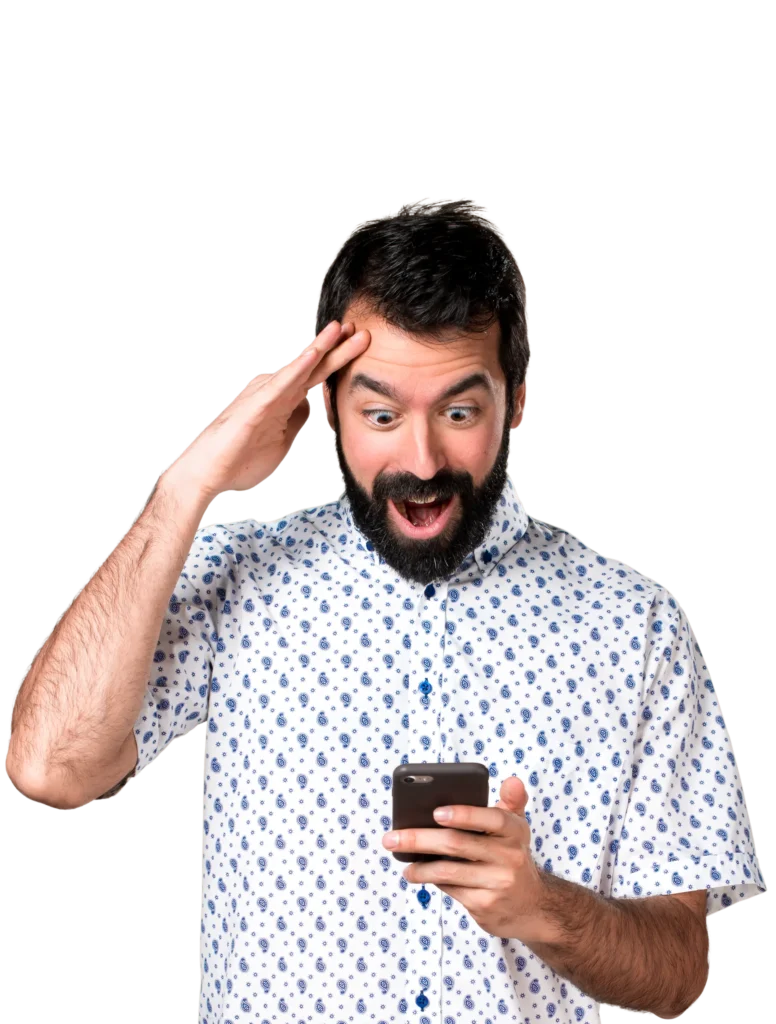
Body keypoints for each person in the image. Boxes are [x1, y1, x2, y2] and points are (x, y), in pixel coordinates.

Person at [6, 199, 765, 1021]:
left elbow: (679, 972)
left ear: (516, 401)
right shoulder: (235, 578)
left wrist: (539, 906)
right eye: (380, 414)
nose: (422, 460)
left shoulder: (637, 626)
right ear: (326, 404)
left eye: (460, 412)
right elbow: (49, 768)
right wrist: (191, 483)